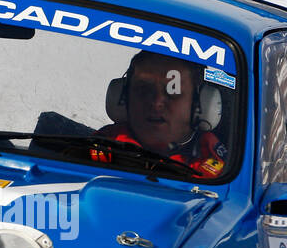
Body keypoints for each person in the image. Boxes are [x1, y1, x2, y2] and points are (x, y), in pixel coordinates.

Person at [97, 50, 227, 177]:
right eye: (144, 89)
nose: (156, 102)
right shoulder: (105, 143)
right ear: (124, 97)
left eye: (173, 91)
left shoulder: (215, 168)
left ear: (200, 102)